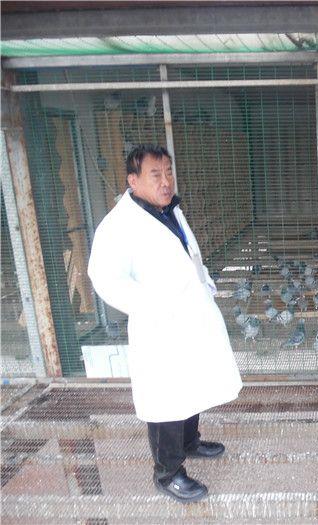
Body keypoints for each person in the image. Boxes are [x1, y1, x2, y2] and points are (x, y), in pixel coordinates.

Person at [88, 144, 242, 503]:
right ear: (133, 181)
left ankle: (189, 442)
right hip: (159, 325)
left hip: (189, 316)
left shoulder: (168, 209)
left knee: (192, 382)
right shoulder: (119, 226)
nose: (165, 181)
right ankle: (168, 473)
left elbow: (189, 253)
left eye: (168, 172)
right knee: (166, 397)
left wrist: (205, 281)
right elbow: (104, 278)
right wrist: (150, 305)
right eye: (155, 175)